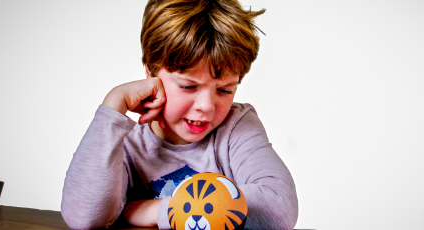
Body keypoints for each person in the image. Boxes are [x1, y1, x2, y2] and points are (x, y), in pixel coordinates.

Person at [61, 0, 298, 229]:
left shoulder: (236, 127)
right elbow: (84, 218)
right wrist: (113, 106)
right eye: (188, 86)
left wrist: (158, 210)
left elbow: (278, 207)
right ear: (150, 71)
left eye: (225, 90)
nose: (206, 106)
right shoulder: (124, 146)